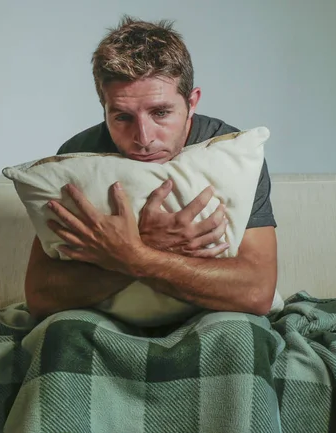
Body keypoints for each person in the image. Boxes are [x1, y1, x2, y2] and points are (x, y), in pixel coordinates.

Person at [24, 16, 278, 323]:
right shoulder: (77, 158)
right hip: (106, 322)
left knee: (237, 333)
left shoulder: (235, 155)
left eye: (161, 113)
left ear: (192, 102)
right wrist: (150, 244)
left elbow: (257, 292)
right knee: (61, 335)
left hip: (210, 319)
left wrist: (135, 253)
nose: (143, 138)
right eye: (122, 117)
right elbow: (40, 297)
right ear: (103, 106)